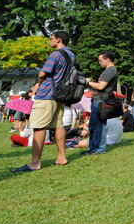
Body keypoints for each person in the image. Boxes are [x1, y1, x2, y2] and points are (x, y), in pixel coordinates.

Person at [12, 31, 73, 172]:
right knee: (58, 125)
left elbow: (42, 73)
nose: (49, 41)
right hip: (61, 95)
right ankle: (61, 157)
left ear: (58, 40)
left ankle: (35, 163)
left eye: (51, 38)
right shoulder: (71, 55)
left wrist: (39, 84)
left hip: (47, 94)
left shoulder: (55, 54)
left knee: (39, 126)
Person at [82, 50, 117, 156]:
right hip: (98, 101)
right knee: (93, 126)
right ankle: (93, 148)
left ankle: (99, 149)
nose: (99, 62)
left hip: (101, 102)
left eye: (100, 60)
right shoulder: (108, 70)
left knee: (99, 127)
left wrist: (88, 82)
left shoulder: (110, 70)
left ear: (108, 60)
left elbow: (101, 86)